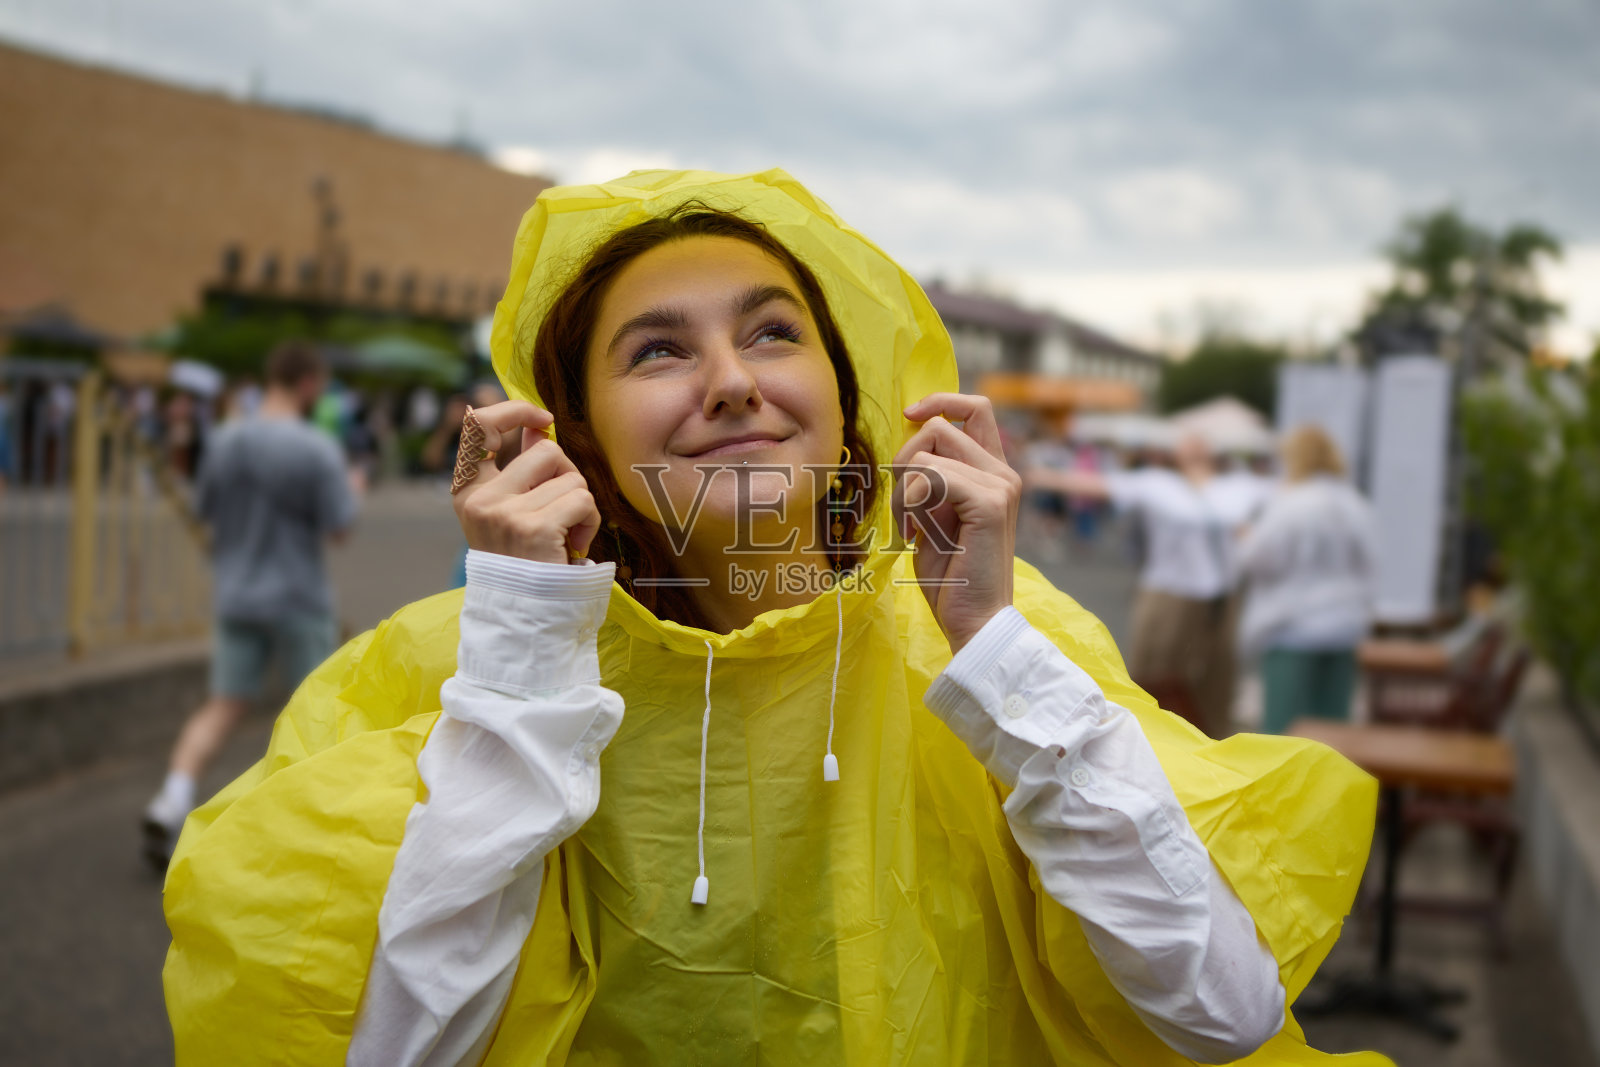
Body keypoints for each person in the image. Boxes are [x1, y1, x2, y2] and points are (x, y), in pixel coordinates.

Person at [162, 171, 1387, 1066]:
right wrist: (526, 650)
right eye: (657, 350)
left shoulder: (1002, 636)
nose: (733, 380)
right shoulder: (459, 663)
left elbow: (1221, 1009)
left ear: (846, 403)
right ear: (577, 436)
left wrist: (995, 651)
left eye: (772, 332)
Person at [142, 341, 359, 868]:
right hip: (298, 596)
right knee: (313, 712)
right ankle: (302, 829)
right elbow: (339, 528)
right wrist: (354, 487)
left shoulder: (223, 440)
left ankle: (171, 799)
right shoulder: (316, 449)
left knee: (223, 704)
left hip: (238, 593)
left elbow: (204, 510)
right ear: (307, 383)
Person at [1027, 432, 1269, 737]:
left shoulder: (1237, 487)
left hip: (1222, 596)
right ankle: (1154, 739)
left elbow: (1288, 496)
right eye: (1187, 440)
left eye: (1200, 440)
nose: (1194, 445)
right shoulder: (1158, 484)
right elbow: (1093, 484)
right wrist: (1031, 475)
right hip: (1169, 592)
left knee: (1218, 675)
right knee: (1156, 673)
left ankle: (1214, 739)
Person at [1236, 426, 1378, 735]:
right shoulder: (1355, 502)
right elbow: (1371, 562)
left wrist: (1245, 538)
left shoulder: (1292, 501)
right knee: (1333, 732)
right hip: (1344, 626)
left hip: (1292, 626)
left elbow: (1258, 558)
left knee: (1283, 732)